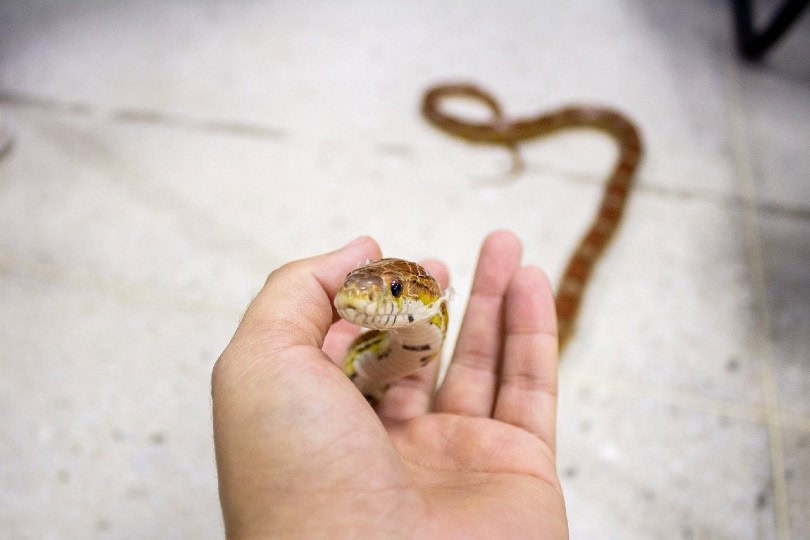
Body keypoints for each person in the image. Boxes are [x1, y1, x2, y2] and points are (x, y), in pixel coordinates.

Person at [212, 230, 568, 537]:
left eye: (395, 289)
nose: (358, 297)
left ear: (426, 296)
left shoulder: (427, 311)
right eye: (352, 283)